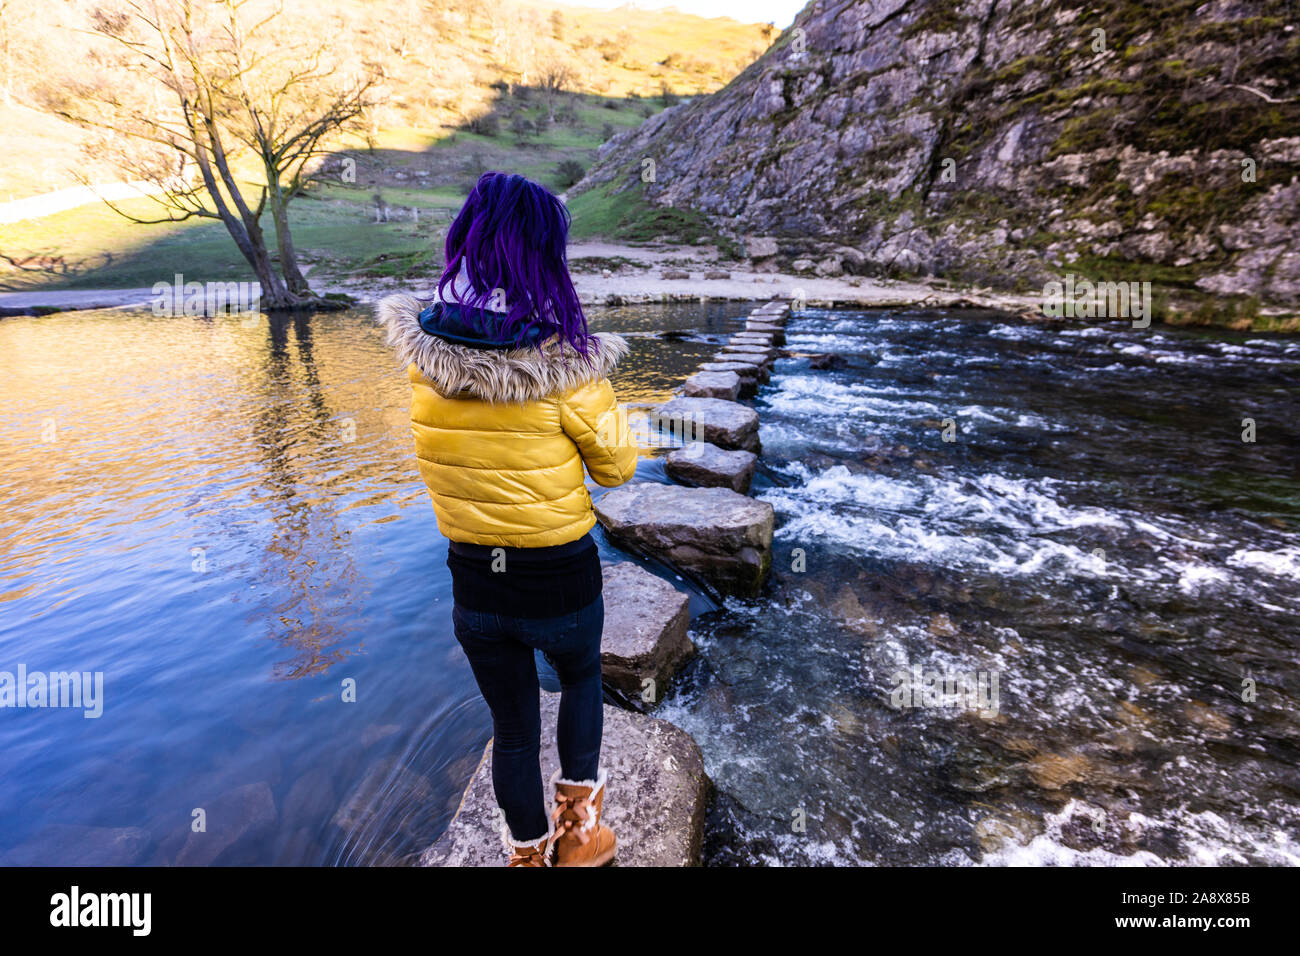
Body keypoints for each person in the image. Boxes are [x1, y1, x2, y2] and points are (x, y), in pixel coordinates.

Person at [377, 171, 637, 867]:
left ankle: (526, 857)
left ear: (465, 239)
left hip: (474, 582)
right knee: (581, 680)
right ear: (544, 255)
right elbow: (616, 467)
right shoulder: (568, 364)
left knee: (513, 728)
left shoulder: (423, 358)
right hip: (558, 576)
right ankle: (579, 838)